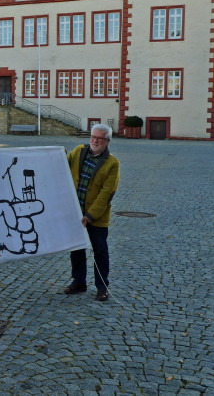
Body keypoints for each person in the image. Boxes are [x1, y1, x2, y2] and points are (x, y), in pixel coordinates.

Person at [63, 123, 120, 302]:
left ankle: (102, 287)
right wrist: (57, 154)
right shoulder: (79, 151)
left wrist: (90, 215)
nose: (94, 140)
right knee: (77, 250)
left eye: (99, 138)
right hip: (75, 212)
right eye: (92, 137)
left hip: (97, 217)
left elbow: (107, 193)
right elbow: (62, 165)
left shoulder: (112, 164)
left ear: (107, 141)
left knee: (100, 251)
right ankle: (79, 282)